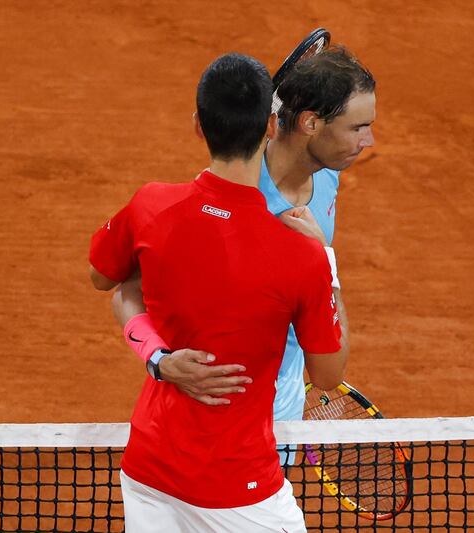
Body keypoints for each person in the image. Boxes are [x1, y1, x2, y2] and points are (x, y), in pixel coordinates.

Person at [89, 53, 347, 532]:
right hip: (240, 490)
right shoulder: (301, 257)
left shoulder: (150, 207)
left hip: (149, 470)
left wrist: (159, 359)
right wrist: (327, 261)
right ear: (271, 127)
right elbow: (329, 373)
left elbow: (109, 282)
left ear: (197, 125)